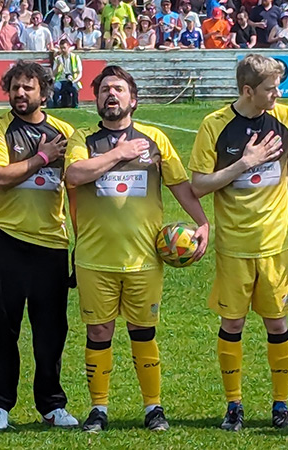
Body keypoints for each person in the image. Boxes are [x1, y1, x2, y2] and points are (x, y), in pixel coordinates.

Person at [65, 65, 209, 433]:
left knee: (143, 332)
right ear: (96, 100)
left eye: (118, 89)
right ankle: (98, 409)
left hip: (144, 258)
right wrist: (120, 153)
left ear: (134, 99)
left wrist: (203, 222)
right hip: (95, 259)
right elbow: (75, 174)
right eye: (104, 90)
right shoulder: (83, 138)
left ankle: (153, 408)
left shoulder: (155, 139)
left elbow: (179, 185)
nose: (110, 95)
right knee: (98, 333)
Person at [189, 53, 288, 433]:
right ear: (247, 90)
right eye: (270, 89)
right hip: (233, 245)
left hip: (274, 243)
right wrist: (245, 162)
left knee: (278, 324)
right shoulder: (215, 125)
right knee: (233, 322)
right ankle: (233, 406)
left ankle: (280, 406)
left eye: (277, 87)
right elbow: (199, 185)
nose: (277, 94)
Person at [0, 60, 79, 431]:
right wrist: (42, 158)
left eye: (28, 87)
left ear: (44, 92)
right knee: (2, 326)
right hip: (6, 238)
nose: (20, 94)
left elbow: (76, 188)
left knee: (52, 329)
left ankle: (52, 404)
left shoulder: (65, 131)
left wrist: (80, 244)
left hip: (51, 241)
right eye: (15, 87)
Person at [51, 40, 82, 108]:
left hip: (72, 80)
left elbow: (80, 73)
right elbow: (53, 74)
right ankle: (55, 106)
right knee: (55, 88)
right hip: (60, 80)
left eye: (64, 48)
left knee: (74, 88)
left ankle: (75, 105)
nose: (63, 50)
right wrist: (58, 65)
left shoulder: (75, 57)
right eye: (61, 48)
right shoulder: (57, 59)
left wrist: (74, 80)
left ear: (68, 47)